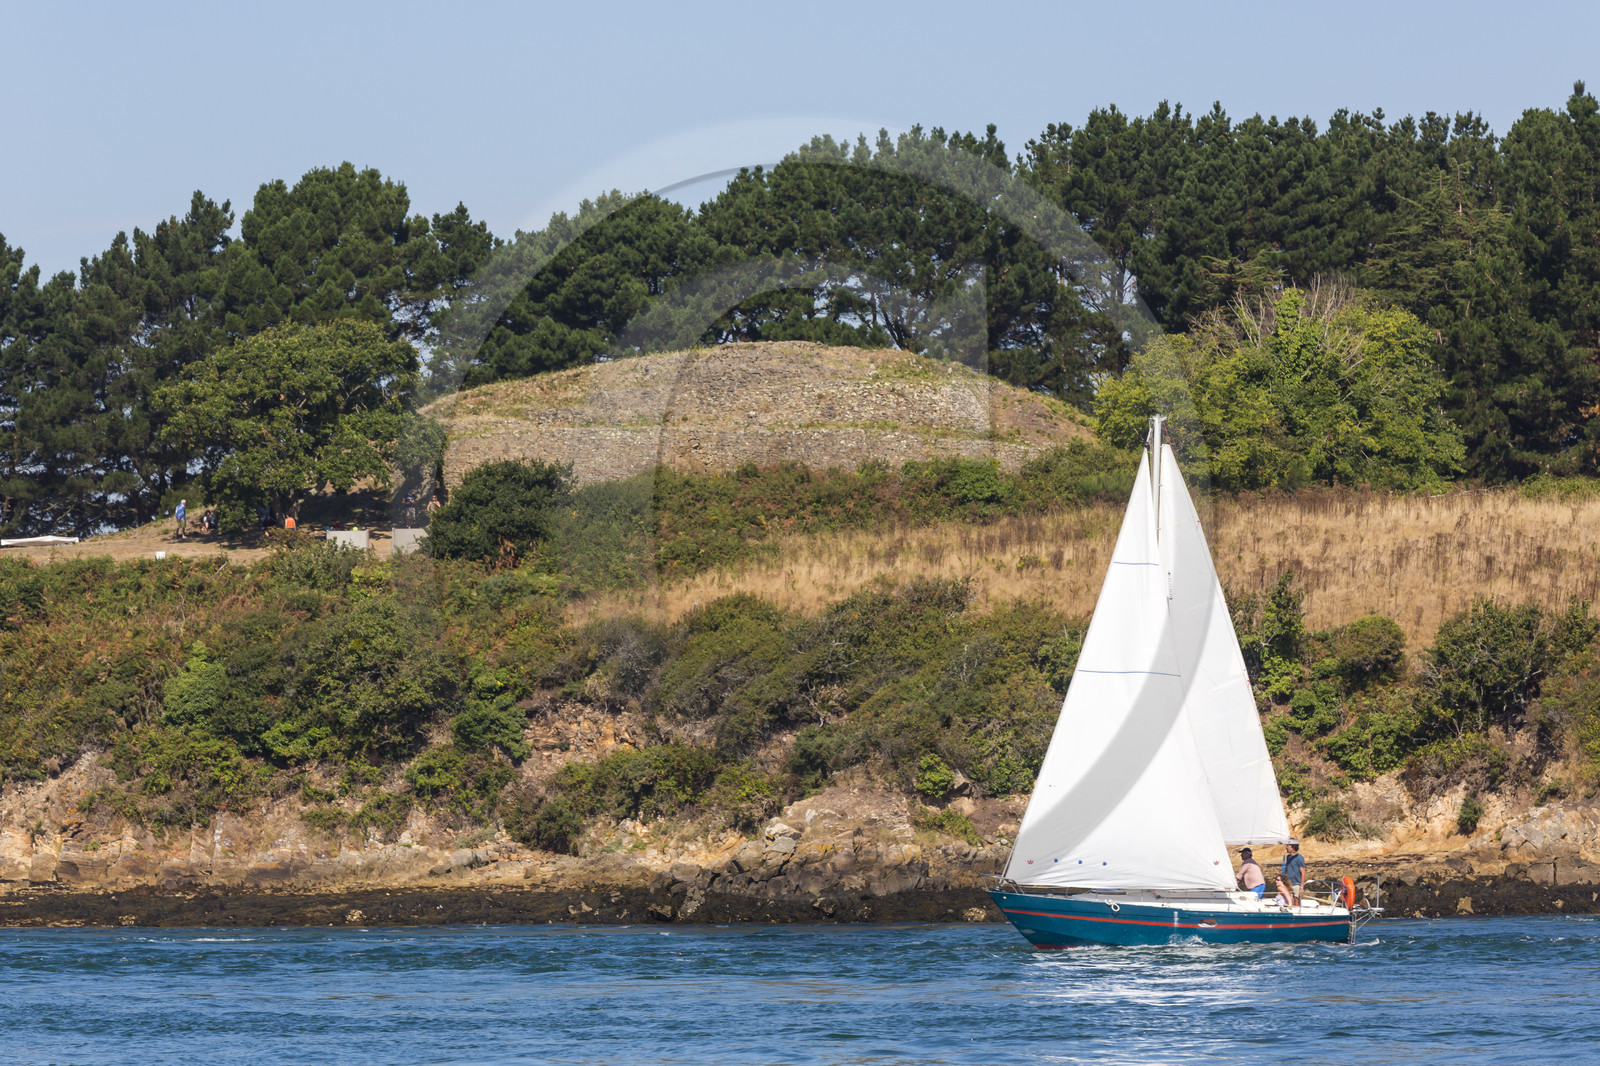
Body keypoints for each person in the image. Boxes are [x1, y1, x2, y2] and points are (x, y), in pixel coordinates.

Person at [1281, 840, 1305, 906]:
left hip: (1297, 884)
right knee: (1290, 900)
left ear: (1293, 847)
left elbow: (1303, 872)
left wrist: (1301, 887)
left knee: (1296, 900)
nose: (1286, 847)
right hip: (1289, 883)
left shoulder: (1299, 858)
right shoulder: (1288, 857)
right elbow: (1286, 870)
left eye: (1288, 846)